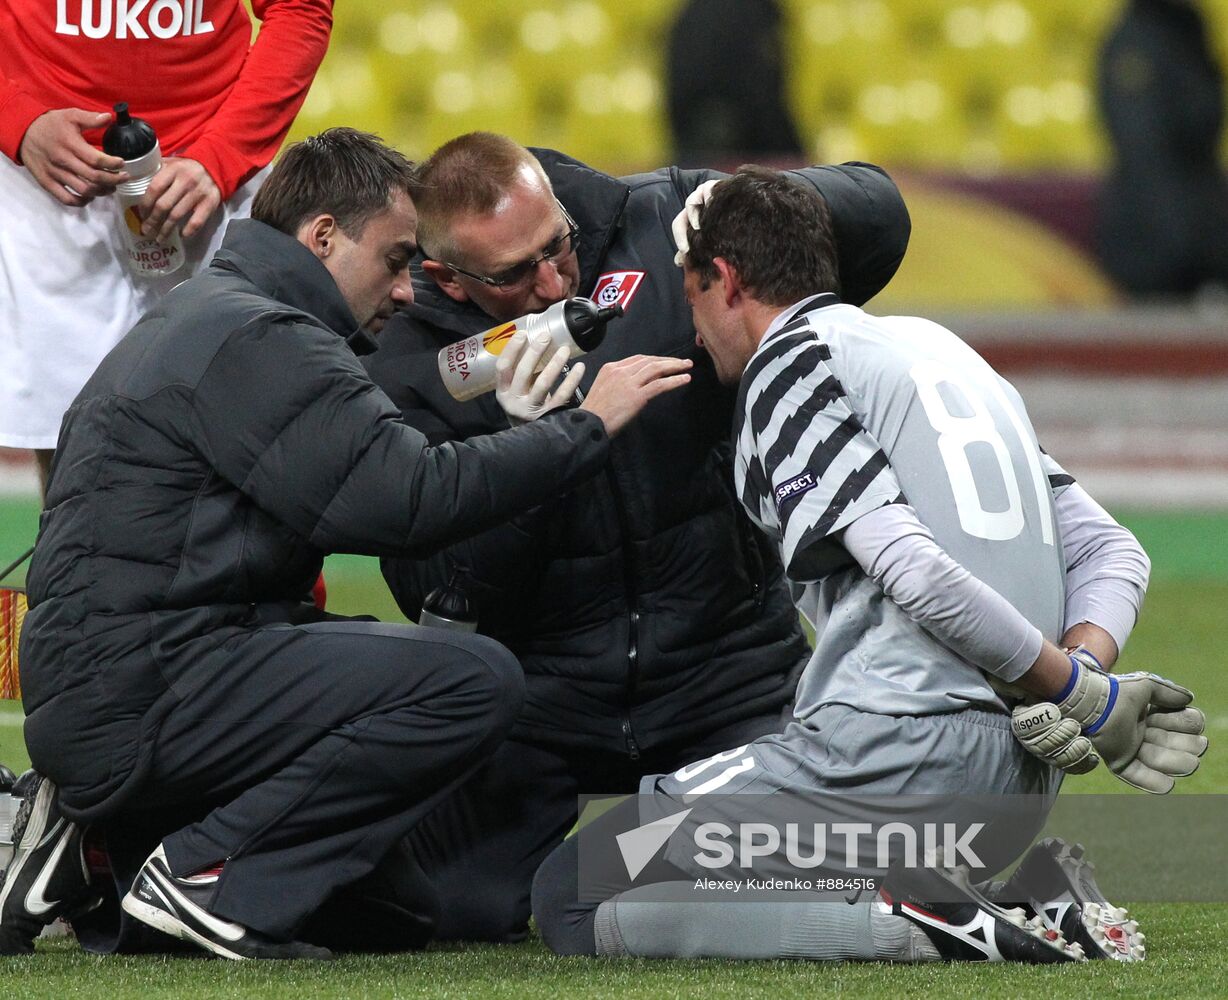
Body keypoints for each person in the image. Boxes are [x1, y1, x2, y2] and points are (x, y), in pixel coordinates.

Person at [0, 128, 692, 959]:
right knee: (469, 683)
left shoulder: (217, 313)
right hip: (142, 687)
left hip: (139, 672)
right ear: (322, 236)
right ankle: (202, 876)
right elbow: (409, 500)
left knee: (397, 913)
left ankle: (99, 848)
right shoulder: (264, 337)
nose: (406, 292)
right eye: (396, 259)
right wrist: (582, 428)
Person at [530, 166, 1208, 964]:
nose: (693, 330)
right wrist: (1081, 672)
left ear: (728, 281)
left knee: (574, 890)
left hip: (894, 757)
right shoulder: (945, 351)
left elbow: (910, 569)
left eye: (691, 298)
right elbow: (1112, 549)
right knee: (728, 868)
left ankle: (914, 925)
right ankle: (1012, 898)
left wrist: (1075, 691)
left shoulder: (789, 364)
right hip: (1017, 785)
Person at [363, 131, 911, 943]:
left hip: (727, 673)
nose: (552, 282)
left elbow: (884, 213)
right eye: (514, 275)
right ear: (445, 276)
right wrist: (530, 453)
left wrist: (757, 193)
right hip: (542, 702)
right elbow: (443, 596)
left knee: (862, 851)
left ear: (557, 203)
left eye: (557, 246)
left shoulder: (660, 219)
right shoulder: (408, 358)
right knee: (446, 908)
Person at [0, 0, 333, 489]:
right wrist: (18, 119)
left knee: (248, 432)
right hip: (50, 178)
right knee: (74, 448)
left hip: (213, 175)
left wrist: (221, 155)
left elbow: (299, 9)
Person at [1095, 0, 1228, 299]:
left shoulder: (1187, 32)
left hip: (1195, 239)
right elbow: (1145, 152)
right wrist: (1186, 244)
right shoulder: (1137, 43)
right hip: (1153, 247)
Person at [665, 0, 804, 168]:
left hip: (695, 145)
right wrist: (792, 151)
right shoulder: (749, 11)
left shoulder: (693, 10)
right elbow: (759, 92)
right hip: (734, 147)